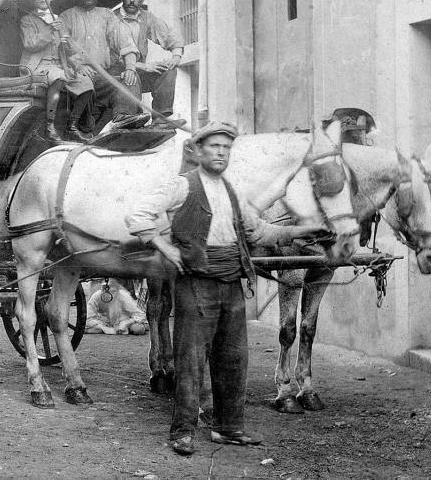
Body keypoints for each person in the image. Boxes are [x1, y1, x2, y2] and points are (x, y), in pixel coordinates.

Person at [125, 122, 325, 456]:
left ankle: (228, 427)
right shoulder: (182, 186)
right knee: (190, 360)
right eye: (214, 147)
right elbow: (138, 217)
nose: (220, 153)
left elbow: (258, 232)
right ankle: (183, 431)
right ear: (199, 151)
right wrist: (166, 248)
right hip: (196, 281)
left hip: (231, 281)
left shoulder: (233, 191)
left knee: (233, 359)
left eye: (226, 148)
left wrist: (302, 231)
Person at [60, 0, 142, 137]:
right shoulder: (66, 17)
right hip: (76, 77)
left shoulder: (107, 15)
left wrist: (131, 67)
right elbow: (62, 48)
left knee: (129, 79)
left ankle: (124, 119)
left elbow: (125, 42)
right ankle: (82, 127)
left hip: (101, 76)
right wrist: (79, 65)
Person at [18, 0, 94, 140]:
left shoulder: (59, 21)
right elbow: (30, 44)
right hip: (37, 67)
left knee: (86, 84)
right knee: (58, 76)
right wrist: (50, 29)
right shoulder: (27, 20)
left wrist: (65, 41)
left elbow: (68, 50)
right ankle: (49, 126)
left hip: (59, 66)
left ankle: (72, 126)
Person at [113, 0, 185, 120]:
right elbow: (109, 56)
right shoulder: (110, 19)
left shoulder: (147, 18)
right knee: (130, 74)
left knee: (168, 70)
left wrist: (176, 55)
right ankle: (126, 117)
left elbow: (169, 36)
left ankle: (161, 118)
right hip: (116, 73)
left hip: (140, 73)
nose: (132, 0)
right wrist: (141, 66)